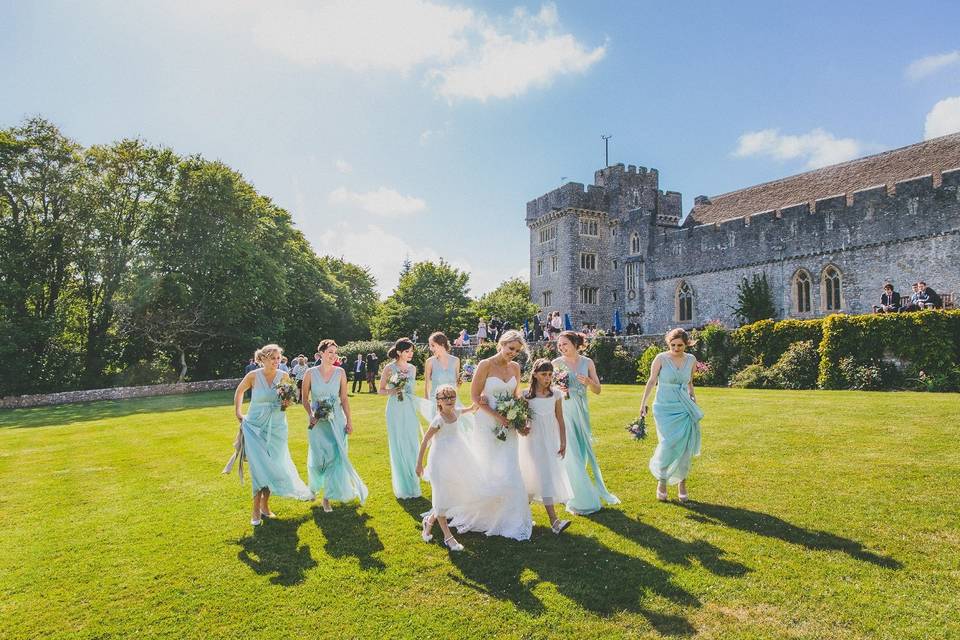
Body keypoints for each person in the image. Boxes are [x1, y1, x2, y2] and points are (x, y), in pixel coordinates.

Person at [447, 330, 533, 541]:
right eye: (510, 348)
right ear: (501, 344)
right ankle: (484, 513)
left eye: (517, 350)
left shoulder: (515, 367)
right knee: (488, 464)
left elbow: (515, 396)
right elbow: (475, 397)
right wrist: (497, 416)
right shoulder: (485, 364)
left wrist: (520, 418)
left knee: (509, 465)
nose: (513, 353)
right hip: (487, 422)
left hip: (509, 424)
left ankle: (510, 516)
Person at [231, 344, 313, 526]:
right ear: (264, 359)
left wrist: (286, 400)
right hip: (254, 427)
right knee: (259, 467)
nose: (277, 361)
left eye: (278, 358)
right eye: (273, 358)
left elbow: (288, 402)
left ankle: (265, 506)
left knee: (273, 464)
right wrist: (238, 412)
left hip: (276, 428)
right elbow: (239, 391)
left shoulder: (283, 376)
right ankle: (255, 510)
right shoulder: (252, 376)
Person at [553, 331, 619, 515]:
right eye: (559, 345)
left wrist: (589, 381)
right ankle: (580, 500)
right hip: (564, 411)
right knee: (571, 453)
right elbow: (546, 389)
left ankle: (568, 489)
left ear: (575, 343)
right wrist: (557, 388)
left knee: (581, 453)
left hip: (581, 412)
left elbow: (598, 390)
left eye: (565, 344)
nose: (561, 347)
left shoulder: (587, 362)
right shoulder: (556, 364)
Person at [639, 328, 704, 503]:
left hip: (684, 406)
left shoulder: (691, 359)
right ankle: (662, 481)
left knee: (684, 448)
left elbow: (690, 383)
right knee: (667, 444)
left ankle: (682, 483)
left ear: (686, 344)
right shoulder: (661, 358)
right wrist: (643, 402)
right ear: (668, 343)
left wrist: (694, 403)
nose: (676, 348)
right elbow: (652, 380)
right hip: (663, 407)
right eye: (673, 345)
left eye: (680, 345)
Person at [302, 339, 368, 511]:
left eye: (335, 352)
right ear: (321, 353)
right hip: (317, 423)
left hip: (336, 420)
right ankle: (314, 487)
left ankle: (327, 497)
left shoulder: (340, 372)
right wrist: (311, 415)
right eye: (329, 352)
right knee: (317, 459)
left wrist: (349, 421)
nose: (333, 355)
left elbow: (344, 399)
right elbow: (304, 399)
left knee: (335, 458)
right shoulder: (310, 373)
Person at [415, 385, 480, 552]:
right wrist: (419, 463)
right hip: (439, 460)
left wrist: (478, 403)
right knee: (441, 495)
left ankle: (429, 522)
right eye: (445, 398)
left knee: (450, 493)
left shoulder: (456, 412)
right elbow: (425, 442)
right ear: (438, 402)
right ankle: (447, 537)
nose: (450, 401)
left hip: (456, 458)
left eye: (452, 397)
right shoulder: (438, 420)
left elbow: (470, 409)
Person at [519, 359, 572, 535]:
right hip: (532, 441)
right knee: (537, 476)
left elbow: (560, 420)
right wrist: (523, 427)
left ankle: (525, 518)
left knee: (540, 478)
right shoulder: (526, 395)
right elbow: (522, 419)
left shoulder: (555, 395)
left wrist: (563, 441)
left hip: (549, 441)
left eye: (550, 374)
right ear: (535, 375)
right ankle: (552, 521)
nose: (547, 378)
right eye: (543, 374)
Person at [379, 338, 422, 499]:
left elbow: (412, 390)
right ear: (399, 352)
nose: (410, 354)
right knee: (398, 443)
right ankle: (402, 485)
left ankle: (413, 483)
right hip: (395, 408)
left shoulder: (412, 368)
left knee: (412, 442)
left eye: (411, 351)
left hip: (409, 407)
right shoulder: (389, 368)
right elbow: (381, 390)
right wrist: (394, 390)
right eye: (407, 351)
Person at [423, 332, 460, 411]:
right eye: (430, 346)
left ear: (442, 344)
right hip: (436, 402)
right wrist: (426, 400)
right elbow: (427, 384)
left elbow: (457, 385)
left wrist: (459, 383)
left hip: (452, 401)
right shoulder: (430, 362)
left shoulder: (456, 360)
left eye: (433, 345)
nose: (431, 348)